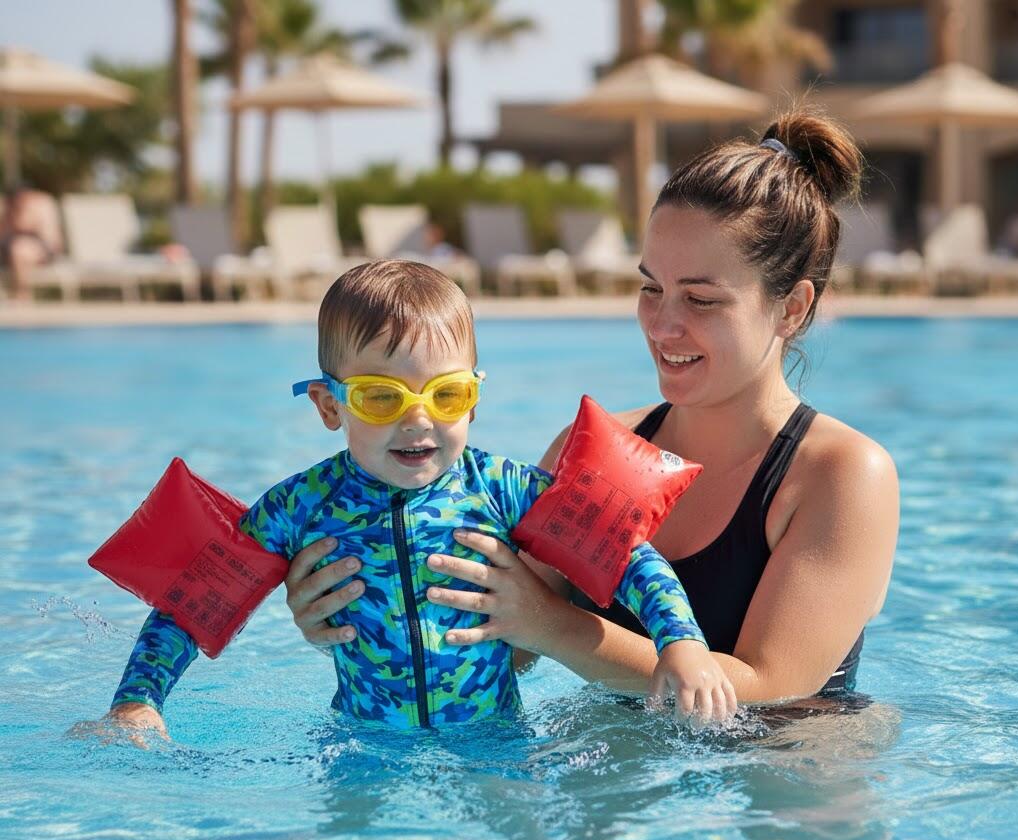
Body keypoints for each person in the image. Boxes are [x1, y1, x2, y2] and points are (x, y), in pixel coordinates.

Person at [286, 110, 900, 713]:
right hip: (618, 781)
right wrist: (355, 614)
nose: (663, 324)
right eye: (651, 287)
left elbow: (771, 687)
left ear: (791, 308)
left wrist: (554, 627)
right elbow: (501, 640)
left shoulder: (841, 476)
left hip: (784, 781)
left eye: (702, 299)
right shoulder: (594, 450)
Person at [89, 259, 732, 741]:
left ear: (476, 394)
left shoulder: (501, 488)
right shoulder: (303, 506)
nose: (418, 422)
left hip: (494, 735)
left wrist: (681, 643)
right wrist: (138, 701)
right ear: (328, 405)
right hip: (365, 740)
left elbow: (630, 556)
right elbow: (192, 605)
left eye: (446, 396)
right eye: (382, 398)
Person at [0, 186, 63, 301]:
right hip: (12, 252)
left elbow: (52, 240)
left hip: (39, 250)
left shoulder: (42, 206)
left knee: (20, 251)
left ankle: (22, 293)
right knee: (19, 250)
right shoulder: (8, 209)